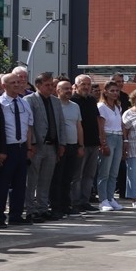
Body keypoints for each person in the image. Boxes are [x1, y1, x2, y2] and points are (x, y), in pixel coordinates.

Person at [24, 72, 65, 223]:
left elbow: (60, 123)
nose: (51, 88)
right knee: (32, 180)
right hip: (37, 146)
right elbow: (29, 124)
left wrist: (62, 143)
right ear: (38, 85)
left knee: (45, 180)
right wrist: (31, 144)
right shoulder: (29, 100)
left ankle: (42, 208)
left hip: (52, 146)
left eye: (52, 85)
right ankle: (30, 210)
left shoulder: (55, 101)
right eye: (47, 85)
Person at [0, 73, 33, 226]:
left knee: (19, 184)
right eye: (13, 83)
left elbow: (28, 127)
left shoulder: (24, 103)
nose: (18, 85)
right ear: (4, 86)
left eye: (19, 82)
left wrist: (29, 147)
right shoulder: (0, 103)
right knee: (2, 184)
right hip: (7, 148)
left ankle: (16, 215)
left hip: (21, 148)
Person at [51, 79, 83, 217]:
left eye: (70, 88)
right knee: (57, 178)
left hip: (73, 146)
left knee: (68, 178)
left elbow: (79, 126)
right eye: (65, 89)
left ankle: (66, 205)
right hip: (60, 146)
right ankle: (56, 207)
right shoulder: (54, 105)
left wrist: (80, 145)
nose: (69, 91)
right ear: (57, 91)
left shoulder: (75, 106)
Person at [70, 75, 103, 213]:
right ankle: (75, 202)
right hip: (80, 143)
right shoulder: (72, 101)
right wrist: (80, 145)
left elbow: (97, 119)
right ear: (76, 86)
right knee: (77, 175)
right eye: (83, 84)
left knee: (89, 174)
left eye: (88, 84)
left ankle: (85, 200)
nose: (86, 87)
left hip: (93, 142)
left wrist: (101, 139)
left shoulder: (91, 100)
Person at [96, 82, 124, 211]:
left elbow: (121, 125)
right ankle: (103, 199)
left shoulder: (118, 107)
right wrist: (103, 143)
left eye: (117, 91)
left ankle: (110, 197)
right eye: (112, 90)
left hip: (118, 137)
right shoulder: (101, 106)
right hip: (108, 136)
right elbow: (101, 126)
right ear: (106, 92)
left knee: (114, 171)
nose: (115, 93)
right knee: (104, 172)